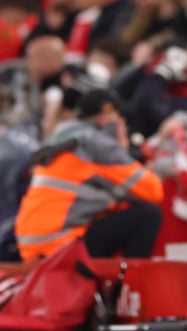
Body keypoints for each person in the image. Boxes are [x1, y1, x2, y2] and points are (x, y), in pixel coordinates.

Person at [14, 88, 163, 262]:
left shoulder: (64, 138)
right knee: (149, 214)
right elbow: (153, 191)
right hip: (60, 245)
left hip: (32, 245)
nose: (122, 124)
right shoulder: (98, 144)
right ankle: (131, 278)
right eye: (119, 117)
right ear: (104, 117)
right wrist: (124, 151)